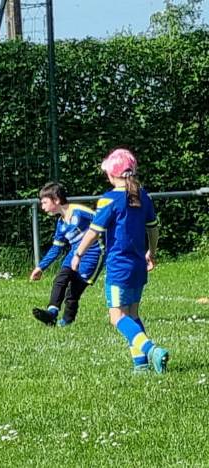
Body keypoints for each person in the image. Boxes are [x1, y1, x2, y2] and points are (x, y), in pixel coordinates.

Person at [71, 148, 169, 374]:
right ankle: (141, 365)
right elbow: (153, 229)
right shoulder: (143, 196)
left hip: (118, 267)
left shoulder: (109, 199)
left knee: (117, 317)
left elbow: (94, 231)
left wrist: (78, 254)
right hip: (138, 265)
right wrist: (152, 253)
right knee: (132, 315)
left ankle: (152, 350)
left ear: (111, 174)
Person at [30, 182, 103, 327]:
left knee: (73, 292)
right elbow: (56, 248)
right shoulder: (61, 224)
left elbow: (104, 221)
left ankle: (66, 321)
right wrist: (40, 267)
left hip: (94, 253)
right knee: (60, 279)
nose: (42, 207)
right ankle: (51, 313)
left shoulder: (80, 212)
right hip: (74, 254)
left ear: (56, 200)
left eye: (44, 202)